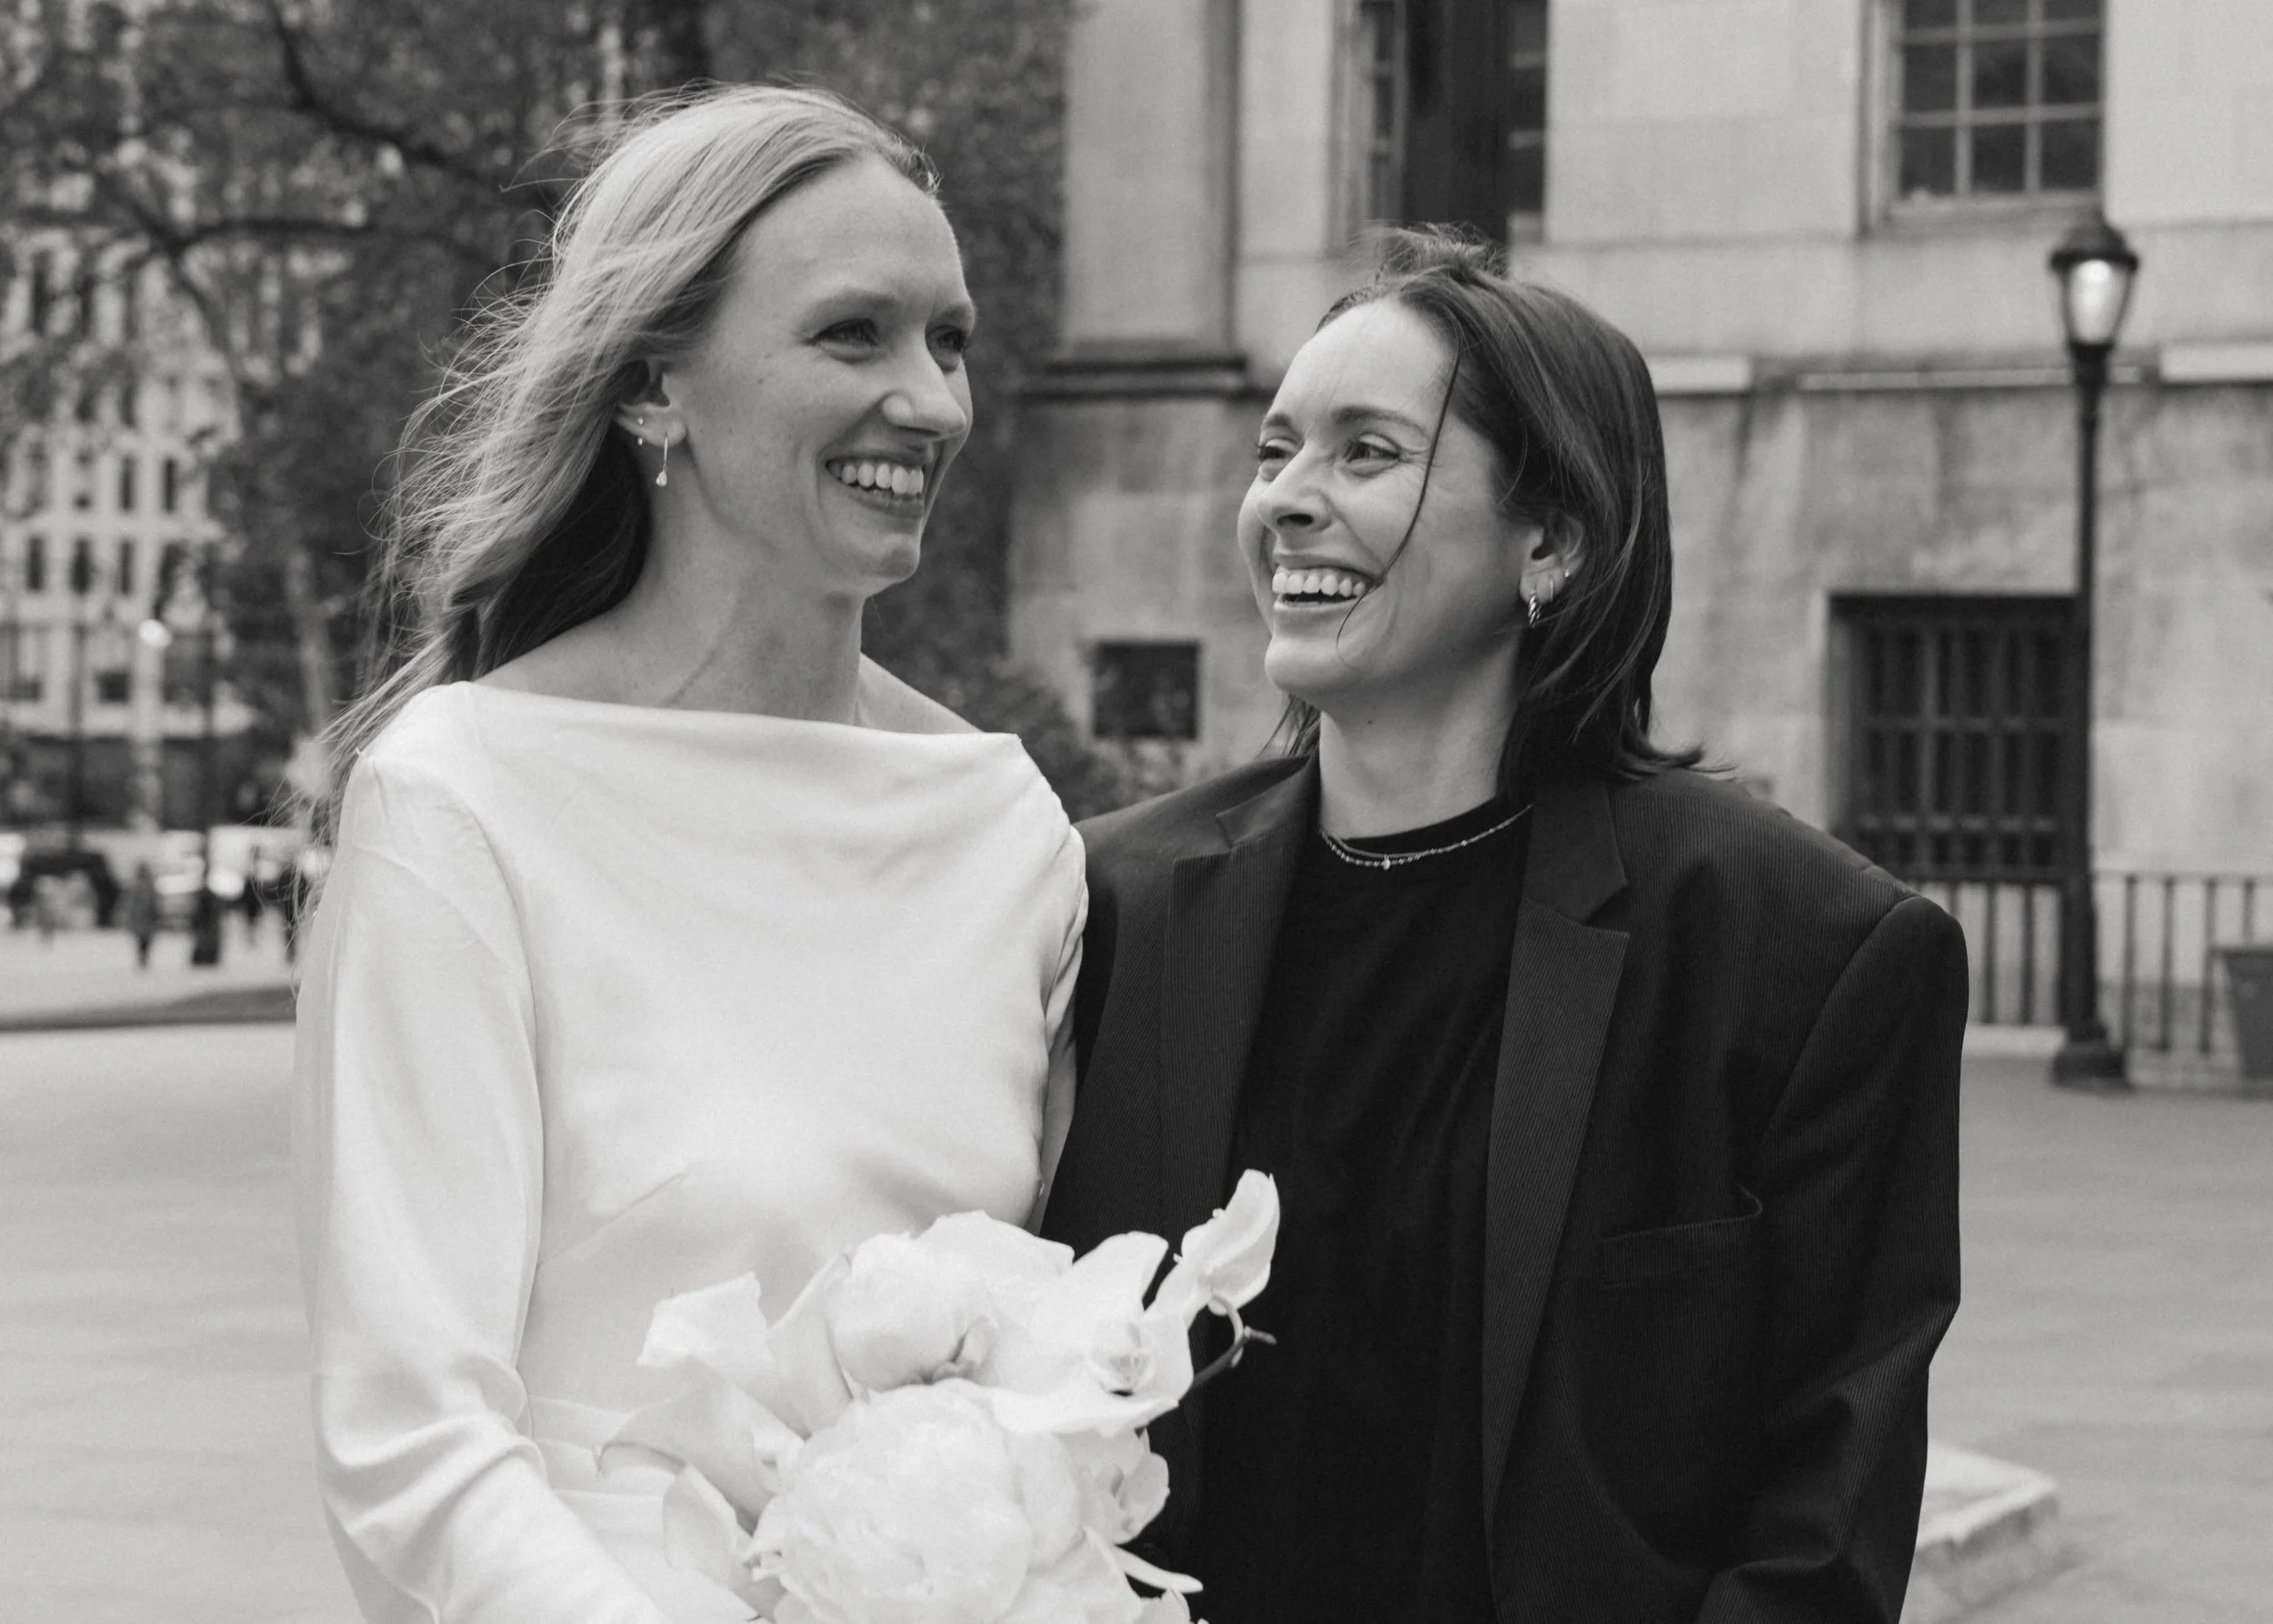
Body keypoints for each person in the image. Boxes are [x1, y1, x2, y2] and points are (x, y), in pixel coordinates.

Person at [1042, 231, 1968, 1624]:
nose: (1286, 501)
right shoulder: (1109, 904)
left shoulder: (1810, 952)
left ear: (1554, 537)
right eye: (1274, 450)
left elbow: (1820, 1534)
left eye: (1365, 453)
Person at [294, 87, 1084, 1624]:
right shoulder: (463, 806)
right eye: (853, 335)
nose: (928, 402)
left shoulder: (1006, 824)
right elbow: (409, 1439)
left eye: (951, 339)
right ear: (658, 380)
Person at [123, 861, 162, 969]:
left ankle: (143, 959)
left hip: (146, 918)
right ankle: (142, 959)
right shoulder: (139, 886)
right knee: (142, 941)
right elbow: (131, 904)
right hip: (142, 919)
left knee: (145, 941)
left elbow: (154, 903)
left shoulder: (146, 886)